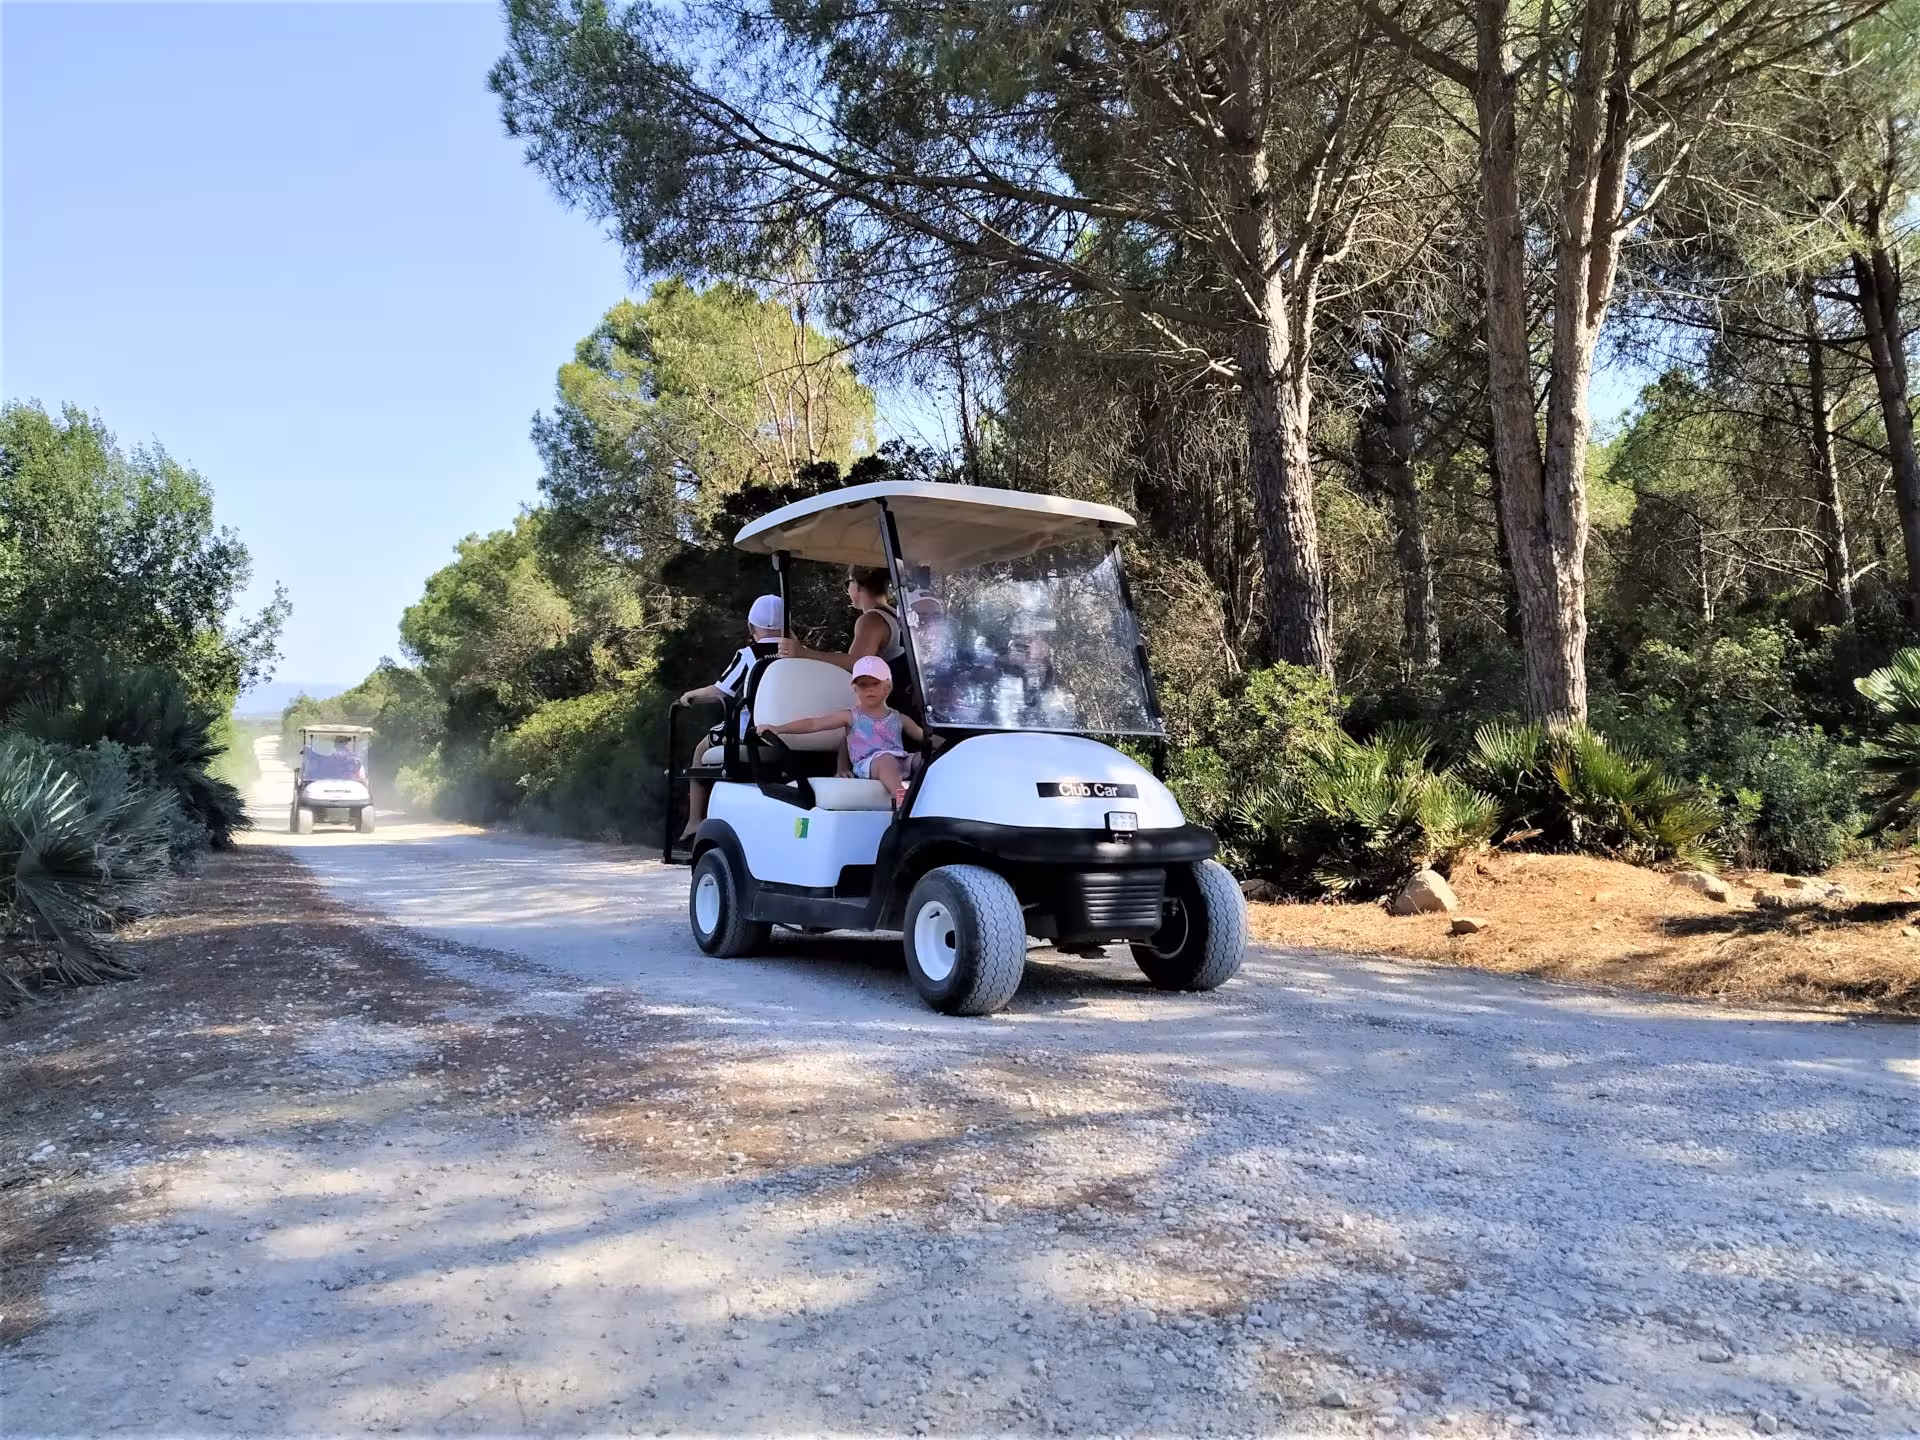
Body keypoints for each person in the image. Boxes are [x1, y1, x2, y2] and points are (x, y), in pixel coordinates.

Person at [677, 594, 785, 840]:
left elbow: (720, 691)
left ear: (750, 627)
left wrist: (690, 695)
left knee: (700, 750)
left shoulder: (748, 655)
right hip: (792, 733)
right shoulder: (797, 653)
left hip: (753, 733)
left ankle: (694, 821)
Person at [762, 655, 924, 807]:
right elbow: (814, 724)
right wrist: (778, 729)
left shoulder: (899, 718)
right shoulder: (850, 716)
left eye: (875, 683)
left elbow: (923, 736)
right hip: (869, 764)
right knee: (886, 760)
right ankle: (902, 798)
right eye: (863, 684)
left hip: (900, 760)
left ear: (887, 687)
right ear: (854, 688)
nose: (869, 689)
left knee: (922, 758)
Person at [777, 566, 908, 682]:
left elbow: (856, 664)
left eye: (848, 583)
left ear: (857, 585)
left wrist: (803, 653)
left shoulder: (871, 619)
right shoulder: (893, 614)